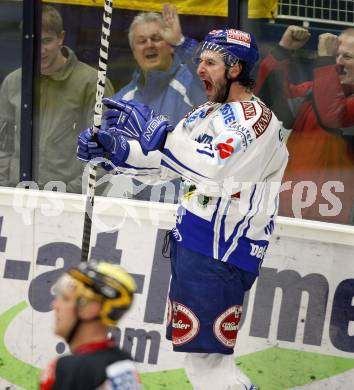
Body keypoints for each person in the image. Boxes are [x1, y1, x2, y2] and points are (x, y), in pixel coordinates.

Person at [77, 28, 288, 390]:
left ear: (236, 69)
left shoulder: (256, 119)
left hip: (222, 251)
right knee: (201, 363)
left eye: (211, 62)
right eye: (200, 61)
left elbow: (212, 170)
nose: (200, 69)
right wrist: (115, 150)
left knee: (208, 366)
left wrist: (162, 134)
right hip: (195, 245)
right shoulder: (204, 113)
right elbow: (166, 163)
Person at [0, 5, 114, 193]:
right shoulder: (13, 83)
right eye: (34, 41)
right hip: (16, 195)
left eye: (47, 41)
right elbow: (3, 145)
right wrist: (5, 189)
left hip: (68, 199)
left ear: (61, 38)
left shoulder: (92, 83)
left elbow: (105, 154)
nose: (40, 50)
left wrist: (70, 193)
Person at [107, 4, 206, 202]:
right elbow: (110, 162)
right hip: (140, 213)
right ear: (134, 50)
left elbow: (215, 71)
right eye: (141, 41)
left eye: (157, 38)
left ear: (170, 45)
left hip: (189, 207)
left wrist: (181, 42)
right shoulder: (121, 101)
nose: (149, 45)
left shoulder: (195, 82)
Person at [255, 26, 354, 225]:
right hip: (286, 211)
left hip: (337, 223)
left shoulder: (330, 95)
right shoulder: (312, 91)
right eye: (334, 55)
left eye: (348, 57)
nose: (337, 63)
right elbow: (267, 99)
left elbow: (333, 117)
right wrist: (283, 50)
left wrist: (325, 59)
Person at [39, 260, 141, 390]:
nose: (55, 305)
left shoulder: (66, 369)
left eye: (65, 298)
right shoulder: (122, 363)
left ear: (90, 309)